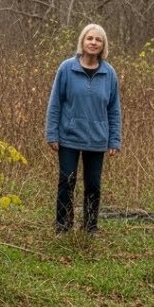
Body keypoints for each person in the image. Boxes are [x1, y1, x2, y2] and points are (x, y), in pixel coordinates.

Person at [44, 23, 122, 235]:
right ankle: (63, 227)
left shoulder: (109, 73)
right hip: (68, 137)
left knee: (93, 185)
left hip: (97, 140)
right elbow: (55, 103)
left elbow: (114, 109)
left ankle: (90, 228)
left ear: (103, 45)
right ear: (82, 41)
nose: (93, 43)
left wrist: (114, 140)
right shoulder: (67, 68)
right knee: (66, 182)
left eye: (98, 40)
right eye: (90, 38)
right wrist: (52, 133)